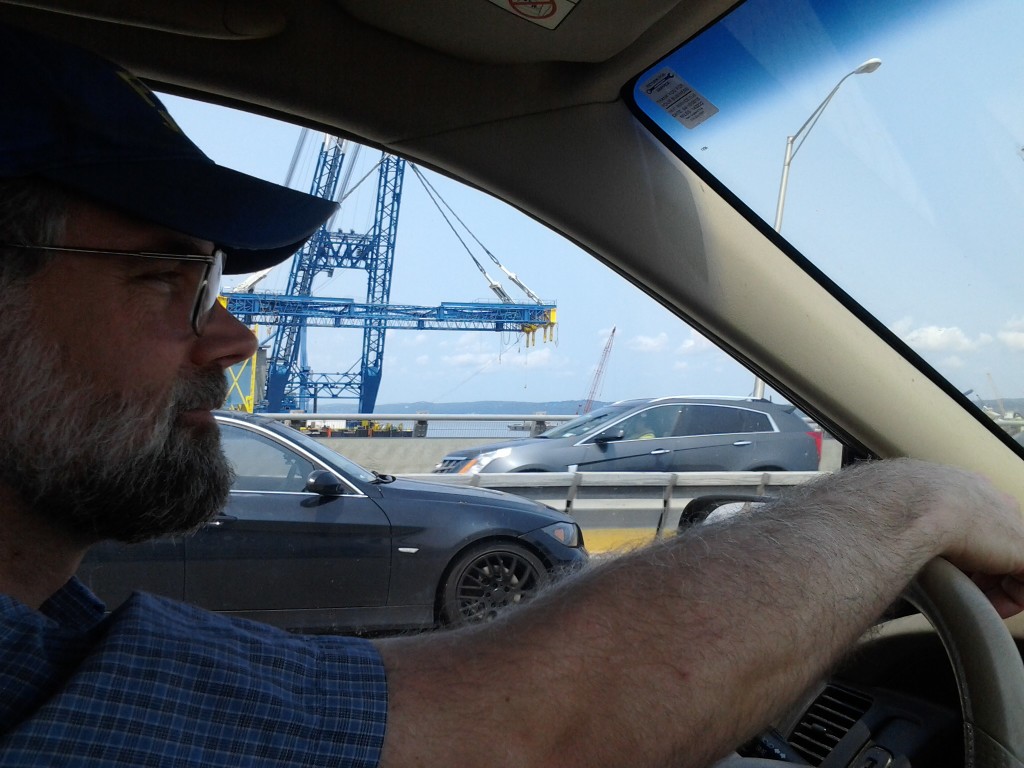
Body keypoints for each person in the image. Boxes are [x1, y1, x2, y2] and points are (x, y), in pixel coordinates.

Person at [1, 23, 1024, 768]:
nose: (234, 339)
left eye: (215, 284)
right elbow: (529, 729)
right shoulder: (34, 695)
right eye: (161, 279)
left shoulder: (58, 635)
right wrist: (922, 498)